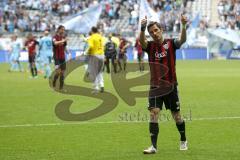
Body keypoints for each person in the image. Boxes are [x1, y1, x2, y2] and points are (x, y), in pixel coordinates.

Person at [139, 15, 188, 154]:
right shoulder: (150, 47)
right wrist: (142, 29)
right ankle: (153, 146)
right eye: (151, 32)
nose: (154, 33)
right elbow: (142, 42)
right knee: (154, 113)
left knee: (177, 116)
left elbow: (182, 40)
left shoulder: (171, 43)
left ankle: (183, 139)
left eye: (156, 30)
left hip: (171, 86)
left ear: (161, 30)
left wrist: (183, 26)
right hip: (155, 87)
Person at [86, 26, 105, 93]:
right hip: (102, 55)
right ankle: (102, 85)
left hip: (95, 55)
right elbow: (103, 45)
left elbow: (91, 46)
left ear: (92, 30)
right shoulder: (100, 36)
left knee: (94, 72)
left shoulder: (92, 37)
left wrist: (88, 52)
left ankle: (96, 88)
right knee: (100, 72)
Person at [52, 25, 67, 90]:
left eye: (64, 30)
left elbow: (64, 46)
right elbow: (55, 43)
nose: (63, 31)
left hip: (62, 57)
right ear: (59, 30)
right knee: (58, 72)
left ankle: (61, 87)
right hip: (56, 57)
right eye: (62, 29)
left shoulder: (63, 37)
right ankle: (54, 83)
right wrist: (62, 41)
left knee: (63, 73)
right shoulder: (54, 37)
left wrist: (68, 53)